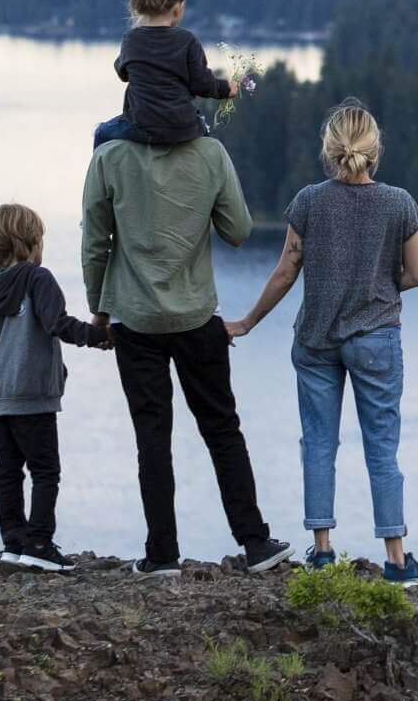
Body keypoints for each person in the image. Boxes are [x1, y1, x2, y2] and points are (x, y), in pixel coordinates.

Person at [229, 99, 418, 588]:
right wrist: (377, 287)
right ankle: (397, 559)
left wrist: (247, 323)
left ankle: (322, 553)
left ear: (330, 149)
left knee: (318, 445)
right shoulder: (399, 203)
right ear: (374, 148)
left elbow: (285, 271)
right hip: (375, 340)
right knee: (381, 449)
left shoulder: (307, 202)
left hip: (316, 340)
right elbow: (417, 275)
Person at [81, 122, 290, 577]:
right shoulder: (210, 152)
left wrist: (99, 309)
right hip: (196, 315)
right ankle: (255, 542)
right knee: (222, 429)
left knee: (152, 437)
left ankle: (161, 554)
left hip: (133, 318)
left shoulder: (108, 155)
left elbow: (95, 242)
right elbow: (239, 229)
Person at [0, 202, 112, 571]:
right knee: (44, 470)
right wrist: (99, 336)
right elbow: (58, 323)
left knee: (7, 471)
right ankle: (38, 542)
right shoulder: (39, 279)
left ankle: (13, 541)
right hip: (32, 394)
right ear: (32, 242)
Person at [93, 0, 236, 147]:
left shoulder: (131, 39)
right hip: (183, 128)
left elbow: (122, 72)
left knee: (101, 133)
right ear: (177, 9)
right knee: (206, 137)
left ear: (138, 6)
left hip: (141, 127)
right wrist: (226, 89)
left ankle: (99, 176)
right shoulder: (188, 41)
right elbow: (202, 83)